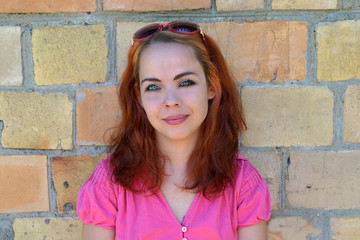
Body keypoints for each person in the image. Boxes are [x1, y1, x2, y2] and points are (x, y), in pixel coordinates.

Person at [77, 20, 271, 240]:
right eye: (153, 87)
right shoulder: (109, 185)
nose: (171, 101)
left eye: (186, 82)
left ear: (212, 86)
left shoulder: (243, 184)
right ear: (139, 97)